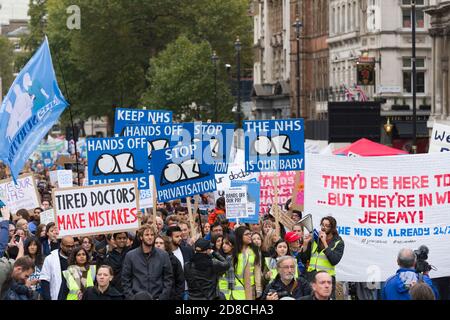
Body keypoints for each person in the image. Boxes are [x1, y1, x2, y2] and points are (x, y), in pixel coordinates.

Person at [121, 224, 174, 300]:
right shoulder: (130, 256)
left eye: (152, 235)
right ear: (141, 237)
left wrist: (162, 297)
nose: (150, 237)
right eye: (147, 235)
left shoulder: (163, 255)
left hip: (157, 297)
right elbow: (125, 280)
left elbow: (168, 279)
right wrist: (132, 298)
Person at [301, 216, 344, 298]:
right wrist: (305, 244)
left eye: (327, 226)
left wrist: (324, 242)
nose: (324, 228)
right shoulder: (315, 239)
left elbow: (334, 260)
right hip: (312, 277)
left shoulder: (338, 242)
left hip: (327, 279)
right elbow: (304, 259)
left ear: (333, 228)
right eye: (322, 225)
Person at [230, 226, 262, 300]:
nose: (249, 236)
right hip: (236, 288)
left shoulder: (255, 250)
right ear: (240, 236)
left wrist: (258, 288)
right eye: (246, 234)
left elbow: (257, 270)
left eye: (250, 234)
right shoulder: (234, 251)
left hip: (251, 287)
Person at [39, 236, 75, 300]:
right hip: (56, 296)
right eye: (68, 246)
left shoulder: (76, 259)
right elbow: (45, 281)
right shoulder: (50, 259)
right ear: (61, 245)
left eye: (72, 246)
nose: (70, 249)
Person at [154, 235, 185, 300]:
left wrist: (176, 298)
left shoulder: (174, 261)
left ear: (166, 245)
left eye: (161, 243)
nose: (158, 245)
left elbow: (180, 281)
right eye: (156, 243)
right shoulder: (149, 259)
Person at [166, 225, 193, 300]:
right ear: (169, 238)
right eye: (177, 236)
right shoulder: (164, 254)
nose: (180, 238)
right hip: (173, 293)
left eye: (180, 236)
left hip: (188, 291)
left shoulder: (188, 251)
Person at [218, 235, 235, 299]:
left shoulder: (238, 257)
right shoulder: (221, 258)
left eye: (227, 243)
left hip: (237, 293)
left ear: (233, 245)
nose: (223, 246)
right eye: (223, 243)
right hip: (223, 293)